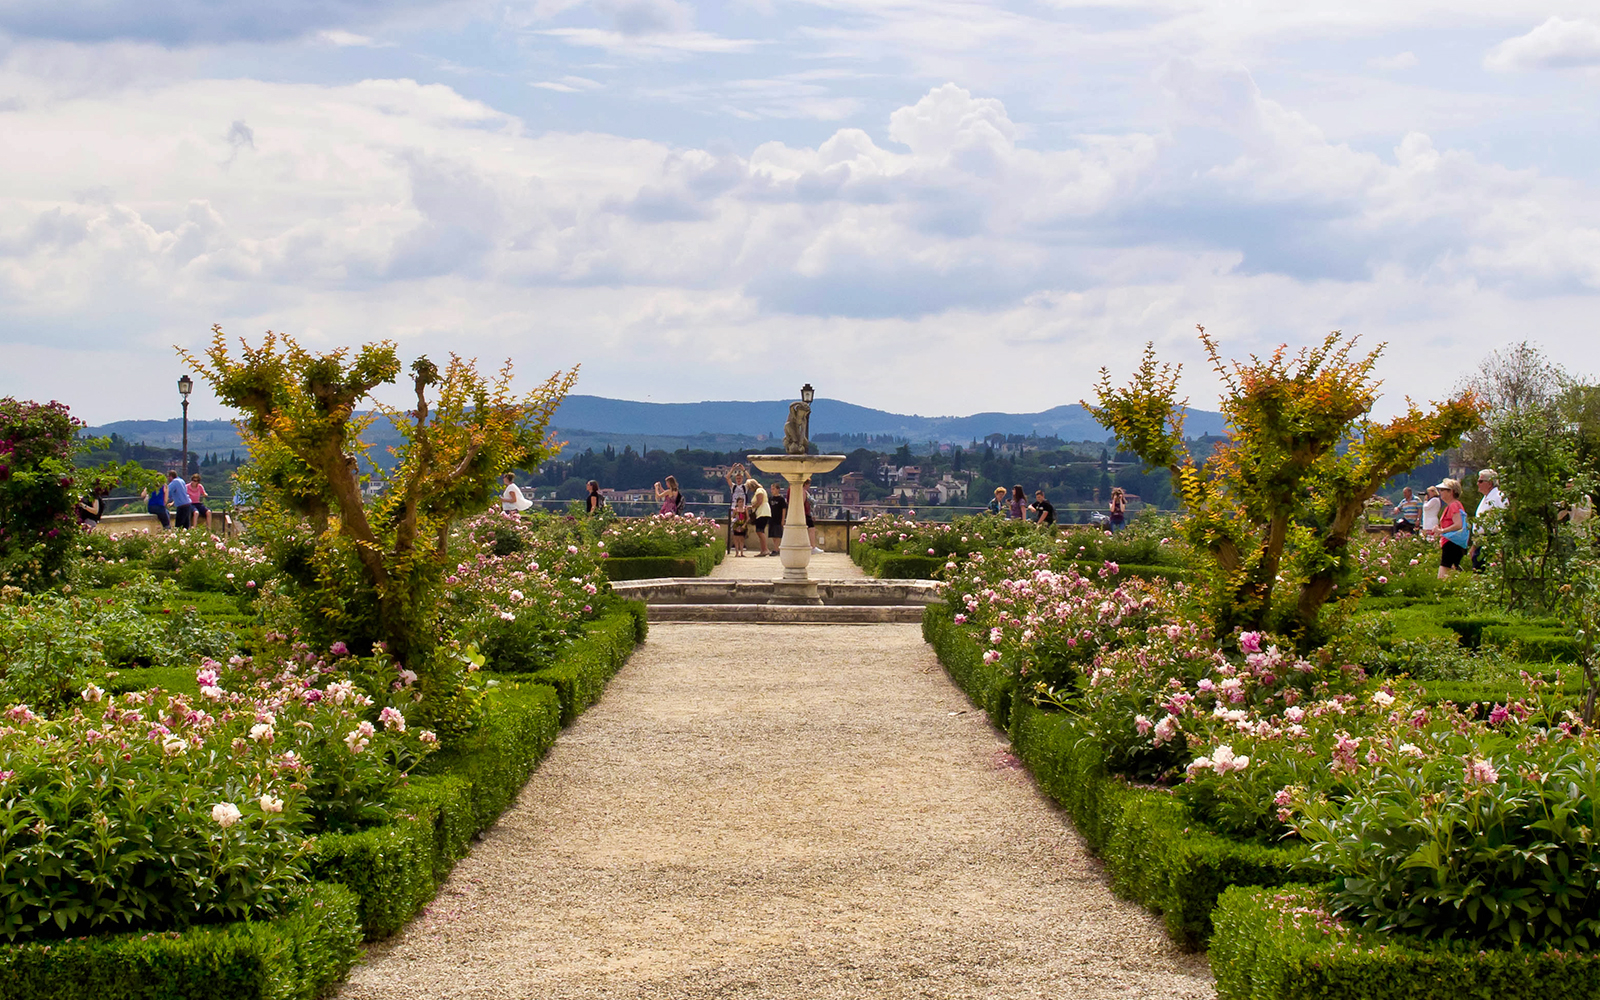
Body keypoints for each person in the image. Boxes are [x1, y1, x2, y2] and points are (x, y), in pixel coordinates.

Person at [1470, 468, 1506, 571]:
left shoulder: (1498, 497)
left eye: (1481, 481)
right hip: (1482, 540)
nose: (1478, 484)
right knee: (1478, 569)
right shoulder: (1485, 498)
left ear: (1489, 483)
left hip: (1492, 540)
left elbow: (1503, 520)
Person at [1436, 478, 1470, 579]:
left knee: (1443, 575)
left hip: (1452, 543)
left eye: (1443, 490)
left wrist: (1442, 531)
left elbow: (1458, 524)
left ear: (1451, 492)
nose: (1440, 492)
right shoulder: (1453, 505)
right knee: (1452, 572)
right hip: (1452, 543)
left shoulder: (1454, 505)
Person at [750, 480, 772, 556]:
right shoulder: (760, 490)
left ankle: (765, 549)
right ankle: (763, 550)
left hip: (762, 512)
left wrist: (751, 507)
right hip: (763, 512)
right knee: (760, 531)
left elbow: (759, 501)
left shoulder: (759, 491)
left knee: (760, 531)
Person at [729, 480, 749, 556]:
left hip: (743, 524)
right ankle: (737, 552)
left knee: (742, 539)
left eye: (742, 502)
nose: (741, 503)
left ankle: (742, 552)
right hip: (736, 525)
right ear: (737, 503)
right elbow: (732, 517)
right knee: (736, 538)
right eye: (740, 502)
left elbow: (748, 518)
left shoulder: (745, 509)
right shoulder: (735, 510)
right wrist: (734, 521)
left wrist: (744, 524)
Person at [767, 481, 787, 554]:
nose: (772, 490)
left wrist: (783, 519)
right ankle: (775, 548)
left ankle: (776, 549)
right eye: (771, 489)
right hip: (772, 519)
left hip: (778, 519)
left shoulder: (781, 499)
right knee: (773, 535)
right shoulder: (770, 498)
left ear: (778, 489)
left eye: (773, 489)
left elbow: (784, 509)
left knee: (777, 535)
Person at [805, 487, 823, 553]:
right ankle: (812, 547)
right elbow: (812, 503)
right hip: (806, 513)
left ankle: (811, 547)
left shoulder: (804, 492)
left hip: (806, 513)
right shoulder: (804, 492)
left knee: (810, 529)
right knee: (811, 529)